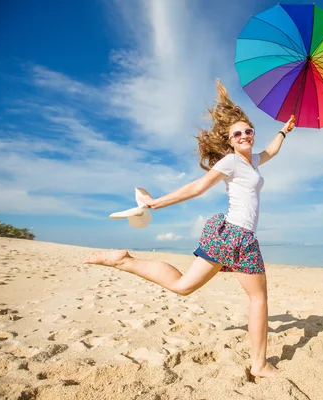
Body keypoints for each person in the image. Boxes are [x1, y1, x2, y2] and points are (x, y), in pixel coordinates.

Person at [83, 79, 295, 378]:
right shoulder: (232, 162)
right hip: (238, 235)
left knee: (183, 286)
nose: (245, 135)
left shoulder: (253, 161)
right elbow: (197, 187)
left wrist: (284, 131)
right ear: (230, 140)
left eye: (249, 131)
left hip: (230, 235)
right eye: (238, 133)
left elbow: (270, 152)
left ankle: (124, 261)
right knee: (258, 299)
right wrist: (156, 203)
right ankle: (259, 365)